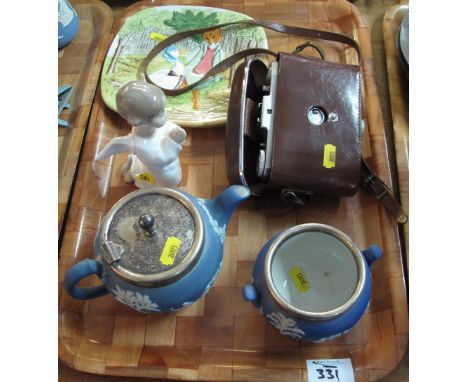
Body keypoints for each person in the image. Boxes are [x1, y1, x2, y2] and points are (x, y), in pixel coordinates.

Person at [95, 80, 186, 188]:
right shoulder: (139, 144)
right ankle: (131, 173)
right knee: (149, 182)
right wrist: (172, 141)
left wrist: (178, 136)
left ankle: (132, 164)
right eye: (157, 114)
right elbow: (161, 159)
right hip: (160, 178)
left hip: (171, 170)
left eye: (162, 110)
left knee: (170, 181)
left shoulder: (159, 125)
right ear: (135, 121)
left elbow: (175, 131)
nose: (163, 116)